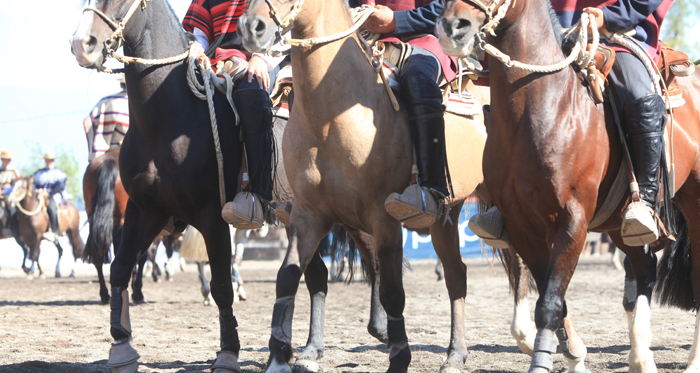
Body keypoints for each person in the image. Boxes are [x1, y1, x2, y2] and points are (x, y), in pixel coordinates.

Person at [469, 0, 672, 247]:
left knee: (637, 95)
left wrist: (610, 17)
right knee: (509, 97)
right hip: (545, 34)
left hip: (614, 34)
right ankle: (503, 202)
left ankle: (646, 202)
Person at [183, 0, 287, 229]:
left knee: (250, 92)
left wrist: (263, 58)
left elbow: (290, 23)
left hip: (261, 57)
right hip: (214, 62)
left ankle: (256, 195)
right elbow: (200, 35)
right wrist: (197, 51)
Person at [356, 0, 458, 228]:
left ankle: (433, 189)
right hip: (365, 38)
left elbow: (448, 5)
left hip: (425, 39)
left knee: (417, 79)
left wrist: (395, 21)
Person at [83, 75, 129, 161]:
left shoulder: (105, 101)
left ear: (121, 85)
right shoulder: (142, 103)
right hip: (131, 154)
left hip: (106, 154)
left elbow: (88, 122)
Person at [31, 153, 67, 238]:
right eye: (47, 160)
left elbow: (61, 186)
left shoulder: (58, 172)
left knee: (51, 207)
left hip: (53, 195)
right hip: (40, 194)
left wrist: (50, 194)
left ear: (53, 161)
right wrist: (37, 190)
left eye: (50, 160)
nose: (48, 162)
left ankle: (54, 231)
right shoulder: (39, 172)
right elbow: (32, 182)